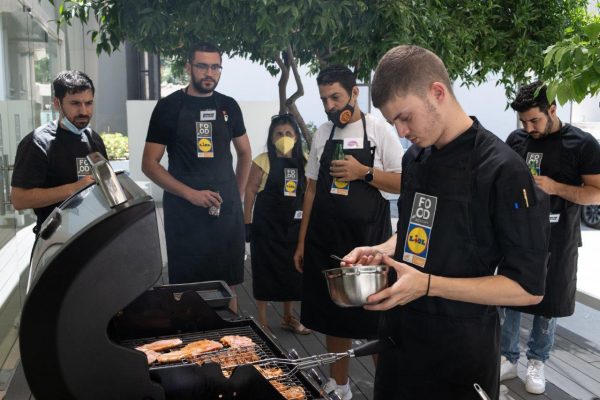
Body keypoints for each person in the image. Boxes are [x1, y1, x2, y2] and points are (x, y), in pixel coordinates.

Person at [342, 45, 551, 400]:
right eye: (394, 122)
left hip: (460, 353)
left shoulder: (503, 170)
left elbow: (528, 288)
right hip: (400, 343)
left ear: (437, 93)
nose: (402, 131)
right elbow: (413, 232)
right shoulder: (416, 158)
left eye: (405, 117)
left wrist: (427, 285)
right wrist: (380, 251)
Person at [293, 65, 403, 400]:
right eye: (324, 98)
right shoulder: (323, 133)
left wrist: (363, 172)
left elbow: (403, 182)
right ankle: (339, 386)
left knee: (375, 319)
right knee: (333, 317)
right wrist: (301, 241)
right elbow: (310, 189)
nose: (329, 105)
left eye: (335, 96)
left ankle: (385, 389)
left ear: (355, 93)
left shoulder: (379, 129)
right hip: (326, 239)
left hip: (370, 243)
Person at [499, 81, 600, 394]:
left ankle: (537, 361)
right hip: (518, 234)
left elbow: (596, 194)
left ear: (552, 109)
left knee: (549, 301)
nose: (529, 128)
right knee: (510, 296)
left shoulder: (582, 144)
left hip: (558, 237)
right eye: (524, 122)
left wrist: (556, 188)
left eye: (535, 120)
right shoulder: (516, 140)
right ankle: (507, 356)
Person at [142, 43, 252, 310]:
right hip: (184, 215)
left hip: (225, 216)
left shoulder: (228, 106)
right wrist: (190, 194)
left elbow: (245, 154)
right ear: (188, 67)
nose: (209, 73)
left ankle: (231, 344)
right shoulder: (168, 107)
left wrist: (235, 198)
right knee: (186, 289)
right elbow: (150, 164)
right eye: (202, 66)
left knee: (228, 287)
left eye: (215, 67)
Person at [11, 70, 107, 234]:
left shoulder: (94, 139)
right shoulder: (37, 143)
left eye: (89, 103)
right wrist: (74, 189)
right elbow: (19, 199)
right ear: (57, 103)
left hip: (93, 233)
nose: (84, 111)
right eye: (75, 103)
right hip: (55, 240)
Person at [244, 114, 310, 335]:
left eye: (288, 133)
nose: (284, 137)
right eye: (279, 134)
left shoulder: (306, 160)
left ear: (296, 136)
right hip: (266, 227)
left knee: (293, 273)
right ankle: (262, 322)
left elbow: (310, 194)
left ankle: (288, 317)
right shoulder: (263, 160)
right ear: (272, 139)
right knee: (264, 271)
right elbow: (250, 190)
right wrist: (247, 222)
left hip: (294, 227)